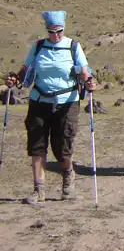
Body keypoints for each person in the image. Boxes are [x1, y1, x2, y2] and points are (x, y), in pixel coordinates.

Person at [4, 11, 97, 205]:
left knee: (63, 145)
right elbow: (25, 69)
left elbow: (83, 70)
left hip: (67, 102)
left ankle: (68, 180)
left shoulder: (73, 46)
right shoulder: (38, 46)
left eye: (59, 31)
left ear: (64, 29)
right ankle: (39, 190)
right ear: (47, 30)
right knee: (37, 145)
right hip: (39, 101)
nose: (55, 36)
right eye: (51, 32)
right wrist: (16, 78)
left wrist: (89, 81)